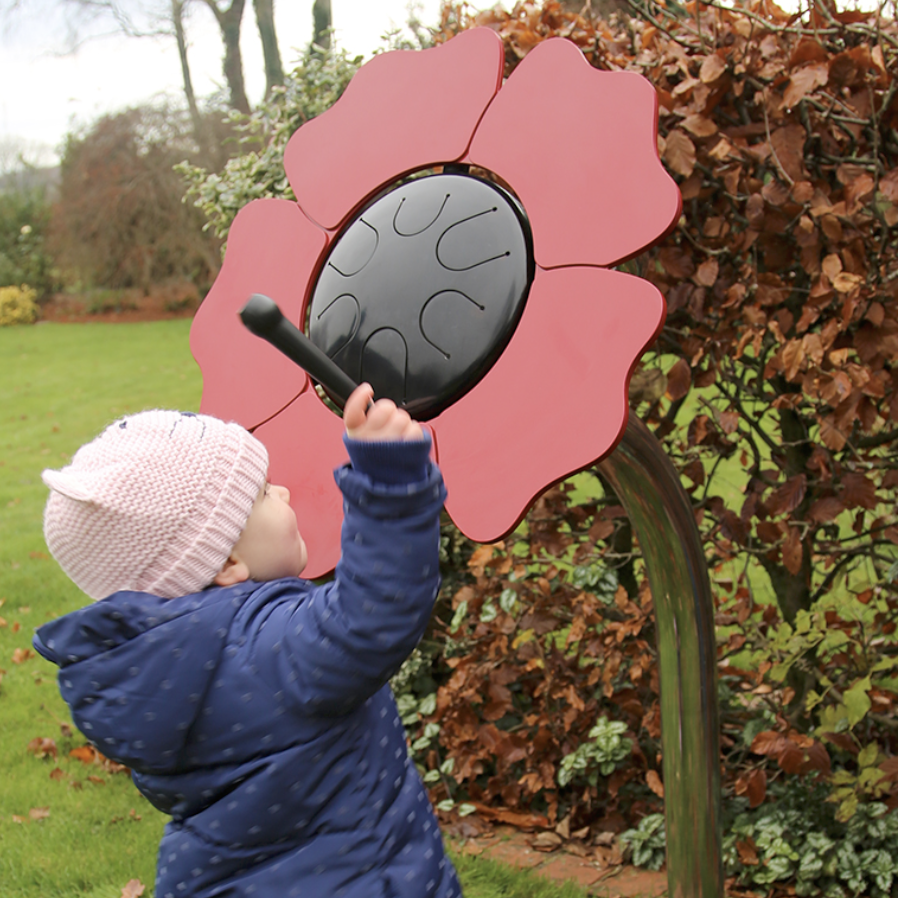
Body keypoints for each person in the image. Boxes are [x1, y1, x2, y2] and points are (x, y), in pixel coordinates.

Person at [33, 384, 462, 898]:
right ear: (227, 562)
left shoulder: (158, 671)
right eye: (263, 494)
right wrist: (389, 479)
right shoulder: (268, 650)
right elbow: (373, 613)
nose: (283, 494)